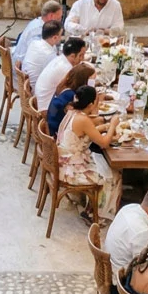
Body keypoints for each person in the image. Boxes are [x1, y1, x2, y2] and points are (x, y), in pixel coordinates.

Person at [57, 87, 119, 219]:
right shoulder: (83, 120)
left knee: (104, 164)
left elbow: (89, 127)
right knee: (114, 176)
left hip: (65, 160)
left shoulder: (72, 112)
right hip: (71, 170)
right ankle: (97, 215)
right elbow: (104, 143)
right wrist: (113, 124)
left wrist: (103, 126)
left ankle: (92, 207)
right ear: (90, 104)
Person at [12, 1, 64, 75]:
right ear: (51, 16)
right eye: (59, 18)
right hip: (23, 75)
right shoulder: (38, 31)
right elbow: (40, 56)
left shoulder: (37, 22)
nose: (60, 21)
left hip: (23, 69)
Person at [45, 63, 96, 136]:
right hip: (59, 134)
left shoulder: (65, 89)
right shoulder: (73, 97)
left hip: (53, 127)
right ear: (84, 81)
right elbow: (85, 119)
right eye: (91, 81)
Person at [19, 19, 66, 90]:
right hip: (38, 92)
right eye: (60, 35)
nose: (61, 38)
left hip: (28, 86)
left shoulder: (34, 43)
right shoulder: (49, 55)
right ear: (55, 37)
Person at [36, 37, 86, 102]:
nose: (83, 58)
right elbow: (71, 95)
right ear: (72, 56)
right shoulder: (66, 68)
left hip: (44, 100)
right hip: (48, 107)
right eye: (81, 55)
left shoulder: (60, 58)